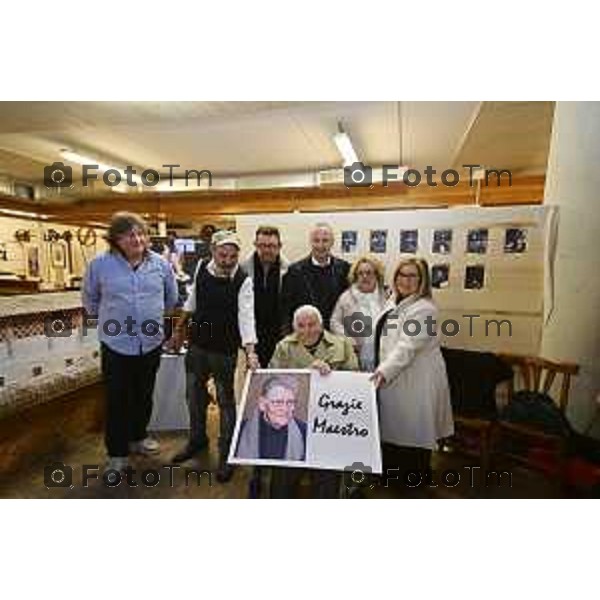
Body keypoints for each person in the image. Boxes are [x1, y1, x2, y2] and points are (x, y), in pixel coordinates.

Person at [82, 212, 178, 474]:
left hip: (150, 341)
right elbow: (90, 300)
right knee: (116, 399)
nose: (137, 239)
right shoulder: (99, 266)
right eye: (129, 234)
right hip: (116, 343)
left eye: (141, 233)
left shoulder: (160, 264)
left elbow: (171, 298)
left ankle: (138, 437)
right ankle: (117, 453)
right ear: (115, 239)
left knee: (144, 393)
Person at [168, 230, 259, 483]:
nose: (228, 260)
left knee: (226, 402)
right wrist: (178, 330)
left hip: (224, 351)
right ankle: (196, 440)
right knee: (193, 396)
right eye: (223, 254)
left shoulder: (243, 280)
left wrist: (250, 351)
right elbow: (192, 303)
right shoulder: (200, 268)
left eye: (233, 256)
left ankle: (227, 453)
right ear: (213, 252)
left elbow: (246, 317)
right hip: (197, 345)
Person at [259, 305, 358, 498]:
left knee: (327, 478)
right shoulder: (284, 347)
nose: (307, 330)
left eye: (312, 324)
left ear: (321, 325)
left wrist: (331, 375)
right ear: (294, 328)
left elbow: (356, 380)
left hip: (331, 425)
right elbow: (271, 382)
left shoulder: (342, 345)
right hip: (293, 422)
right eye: (301, 326)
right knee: (282, 477)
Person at [371, 257, 454, 489]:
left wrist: (383, 371)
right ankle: (393, 480)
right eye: (401, 275)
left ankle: (413, 486)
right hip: (395, 375)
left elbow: (407, 346)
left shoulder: (424, 309)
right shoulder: (393, 301)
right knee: (396, 431)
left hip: (416, 378)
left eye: (411, 276)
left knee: (413, 434)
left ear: (422, 280)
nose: (405, 280)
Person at [281, 223, 350, 332]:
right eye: (316, 240)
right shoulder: (295, 271)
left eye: (325, 240)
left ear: (332, 242)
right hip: (305, 335)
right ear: (311, 242)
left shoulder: (345, 269)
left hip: (335, 336)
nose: (320, 245)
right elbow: (286, 309)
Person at [240, 226, 289, 367]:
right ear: (255, 245)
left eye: (272, 246)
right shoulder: (242, 270)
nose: (267, 250)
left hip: (279, 337)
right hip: (249, 338)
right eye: (262, 245)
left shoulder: (290, 271)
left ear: (280, 246)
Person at [330, 255, 388, 371]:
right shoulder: (346, 297)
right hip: (356, 354)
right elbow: (334, 322)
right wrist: (347, 338)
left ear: (377, 275)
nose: (364, 277)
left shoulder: (386, 296)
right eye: (360, 273)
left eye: (369, 273)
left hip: (383, 354)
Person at [236, 375, 307, 461]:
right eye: (277, 402)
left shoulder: (305, 432)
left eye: (290, 402)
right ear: (262, 404)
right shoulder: (239, 431)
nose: (284, 409)